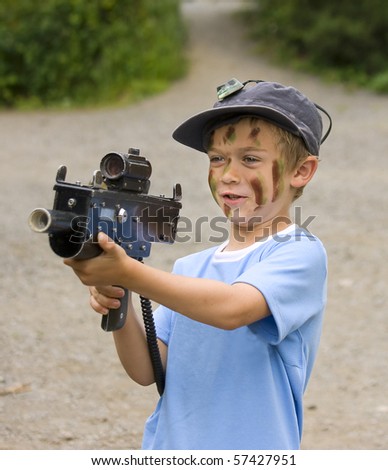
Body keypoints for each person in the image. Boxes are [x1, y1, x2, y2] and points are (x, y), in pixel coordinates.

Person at [64, 78, 332, 450]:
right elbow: (146, 369)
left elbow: (232, 308)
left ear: (301, 171)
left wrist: (130, 273)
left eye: (250, 158)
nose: (228, 174)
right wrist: (119, 297)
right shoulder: (190, 270)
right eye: (217, 158)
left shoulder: (299, 251)